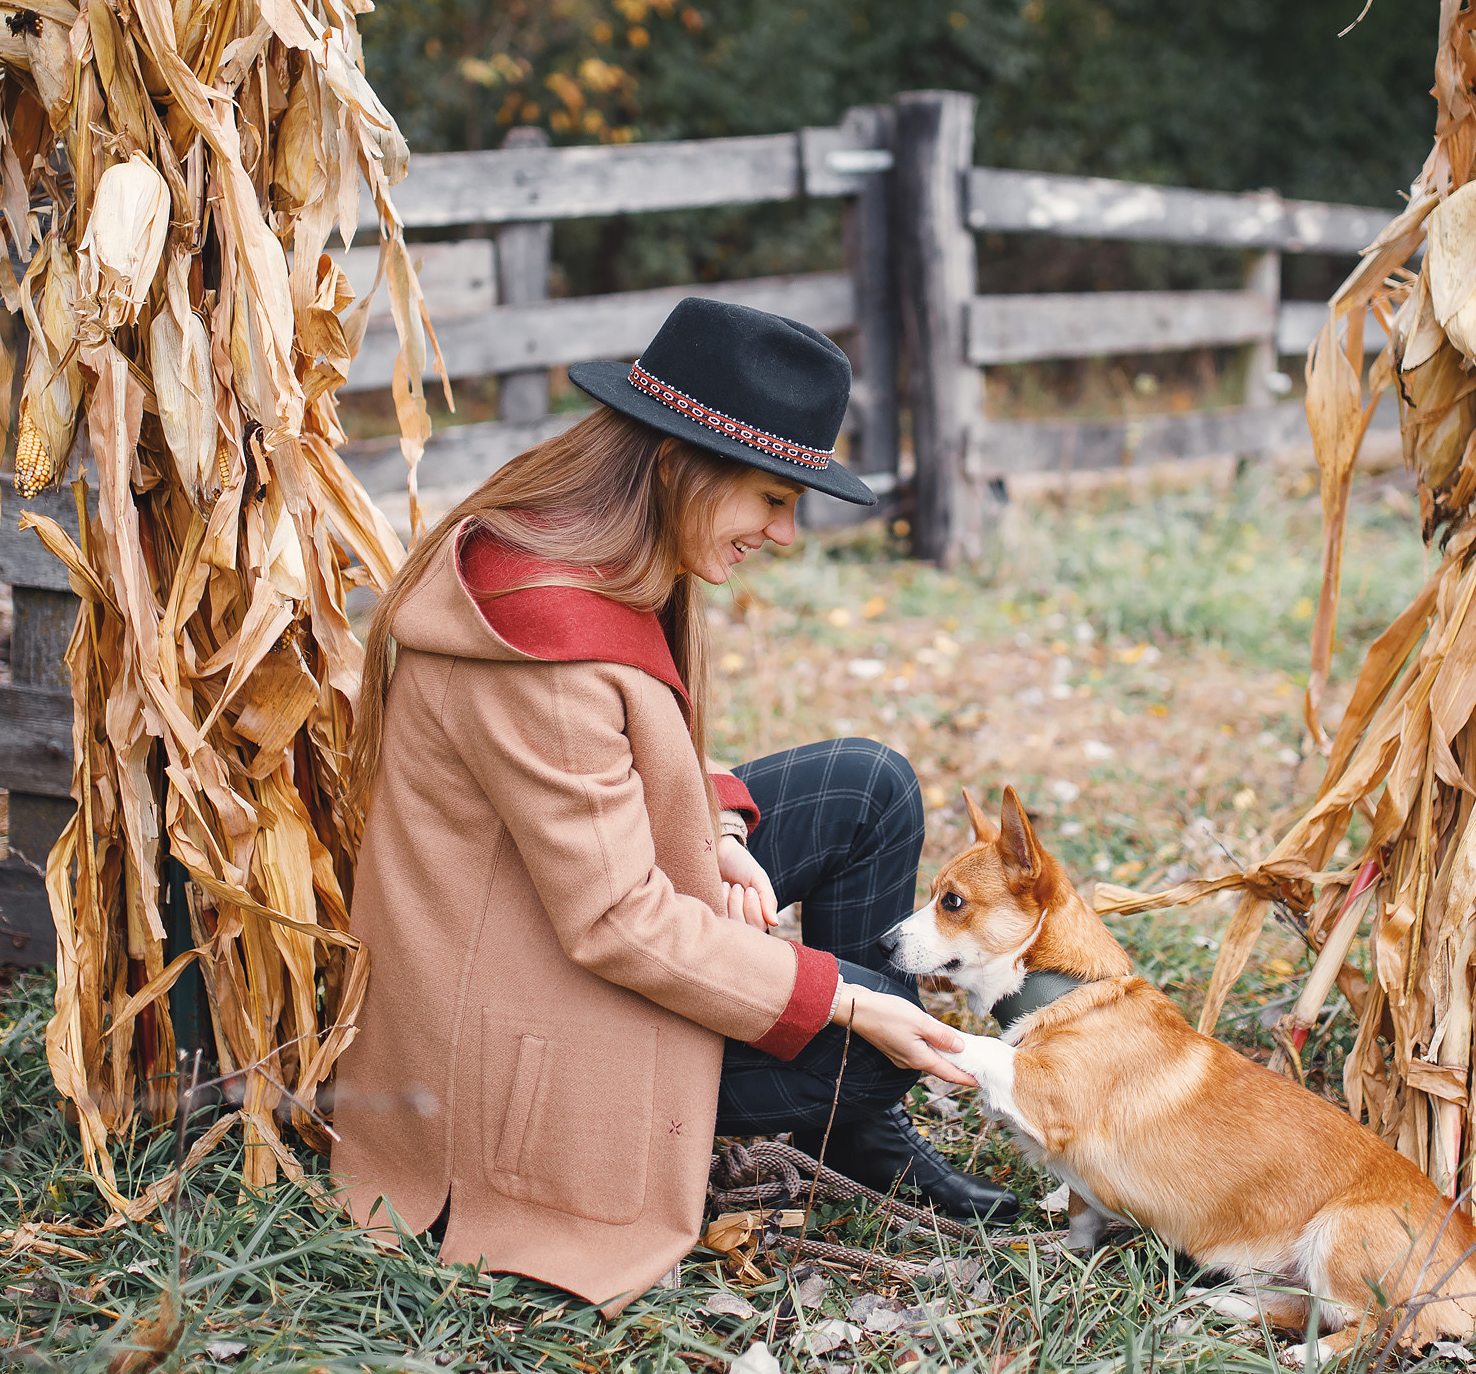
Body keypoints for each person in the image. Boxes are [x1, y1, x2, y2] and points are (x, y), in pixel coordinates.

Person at [331, 297, 1012, 1309]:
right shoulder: (538, 642)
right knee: (877, 1046)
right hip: (526, 1035)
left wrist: (722, 832)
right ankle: (848, 1103)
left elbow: (622, 762)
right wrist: (845, 997)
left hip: (554, 929)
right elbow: (613, 923)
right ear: (675, 466)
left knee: (867, 786)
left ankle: (859, 1135)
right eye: (771, 499)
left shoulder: (578, 556)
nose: (784, 532)